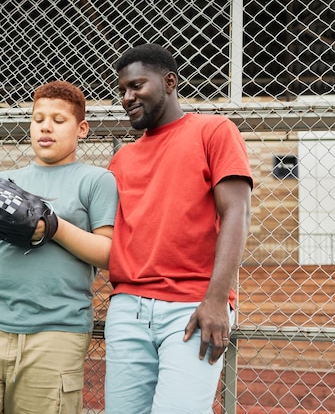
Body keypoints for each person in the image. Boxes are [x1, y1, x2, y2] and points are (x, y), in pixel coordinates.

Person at [0, 80, 118, 414]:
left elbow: (108, 254)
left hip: (56, 332)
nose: (46, 126)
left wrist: (53, 227)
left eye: (59, 120)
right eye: (38, 118)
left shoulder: (96, 180)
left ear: (82, 129)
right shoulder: (1, 180)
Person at [104, 43, 253, 414]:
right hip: (128, 309)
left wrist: (218, 299)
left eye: (136, 85)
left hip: (192, 307)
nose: (127, 97)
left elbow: (238, 211)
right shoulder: (121, 159)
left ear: (169, 82)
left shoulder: (213, 130)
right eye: (122, 90)